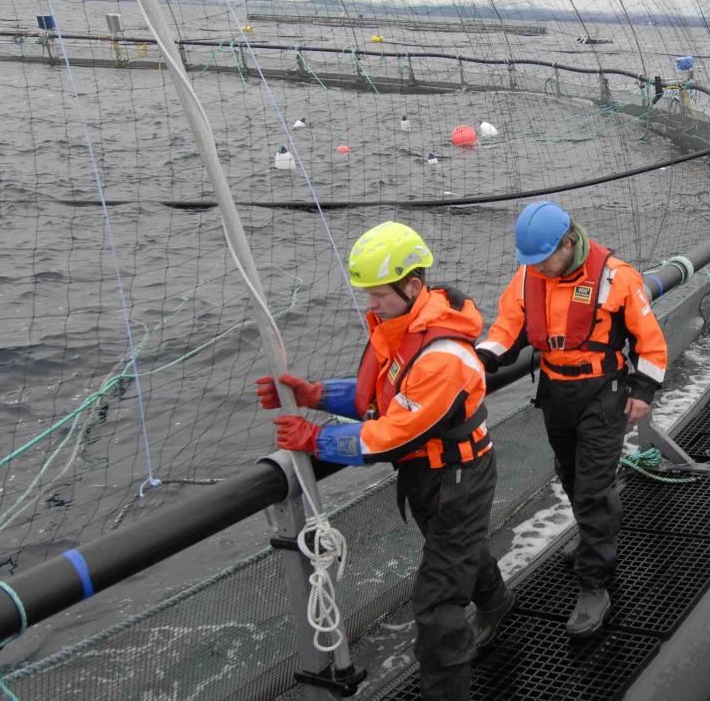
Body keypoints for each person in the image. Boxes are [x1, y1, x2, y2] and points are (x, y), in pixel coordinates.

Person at [257, 221, 511, 701]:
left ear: (412, 286)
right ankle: (497, 603)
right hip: (432, 476)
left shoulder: (444, 357)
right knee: (457, 552)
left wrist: (316, 440)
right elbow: (383, 396)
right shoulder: (404, 330)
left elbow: (390, 435)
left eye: (378, 296)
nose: (370, 305)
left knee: (436, 606)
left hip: (457, 479)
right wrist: (314, 395)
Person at [475, 201, 668, 639]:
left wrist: (643, 390)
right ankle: (594, 536)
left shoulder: (617, 278)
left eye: (544, 258)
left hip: (603, 395)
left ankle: (594, 583)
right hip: (556, 392)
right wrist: (484, 355)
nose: (538, 268)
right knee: (570, 475)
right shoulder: (530, 276)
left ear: (567, 243)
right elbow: (508, 325)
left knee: (594, 487)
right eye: (532, 261)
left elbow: (648, 339)